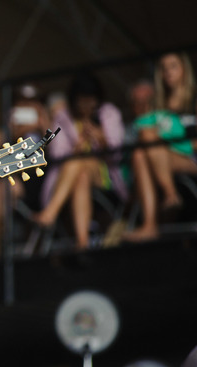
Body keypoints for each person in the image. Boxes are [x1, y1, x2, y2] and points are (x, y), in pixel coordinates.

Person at [34, 72, 128, 250]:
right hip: (68, 179)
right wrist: (78, 145)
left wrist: (102, 140)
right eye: (82, 100)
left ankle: (49, 214)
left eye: (90, 100)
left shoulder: (108, 114)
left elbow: (117, 154)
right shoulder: (63, 116)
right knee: (80, 174)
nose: (86, 105)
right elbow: (56, 154)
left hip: (104, 175)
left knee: (77, 163)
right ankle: (82, 242)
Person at [122, 54, 197, 242]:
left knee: (148, 139)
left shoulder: (194, 100)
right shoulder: (157, 103)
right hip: (160, 157)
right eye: (164, 68)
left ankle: (170, 197)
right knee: (139, 153)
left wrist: (176, 143)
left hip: (191, 157)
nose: (168, 72)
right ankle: (151, 224)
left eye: (173, 66)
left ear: (185, 70)